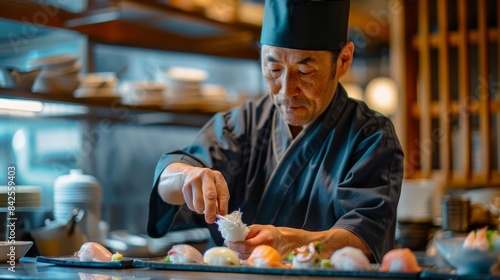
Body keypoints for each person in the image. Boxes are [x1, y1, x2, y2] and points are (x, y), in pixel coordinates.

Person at [148, 0, 403, 263]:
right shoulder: (242, 124)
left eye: (305, 72)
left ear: (343, 61)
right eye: (274, 69)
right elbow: (168, 177)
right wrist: (186, 177)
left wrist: (289, 242)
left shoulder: (371, 136)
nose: (286, 90)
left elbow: (364, 238)